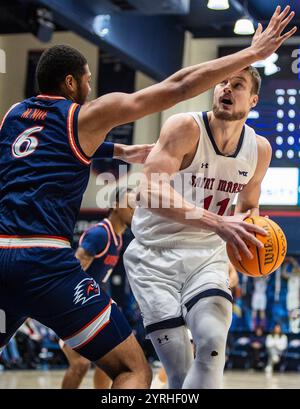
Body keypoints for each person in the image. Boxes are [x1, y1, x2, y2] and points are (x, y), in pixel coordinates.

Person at [0, 6, 295, 389]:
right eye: (89, 80)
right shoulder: (88, 115)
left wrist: (121, 152)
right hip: (53, 260)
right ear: (72, 84)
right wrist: (253, 54)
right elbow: (177, 87)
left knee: (209, 347)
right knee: (132, 370)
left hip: (3, 253)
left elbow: (51, 151)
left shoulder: (13, 116)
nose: (91, 87)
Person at [124, 7, 296, 389]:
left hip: (206, 256)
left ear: (253, 102)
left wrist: (245, 241)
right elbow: (149, 192)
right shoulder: (184, 127)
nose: (226, 89)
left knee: (214, 345)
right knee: (180, 372)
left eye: (237, 85)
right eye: (223, 82)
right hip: (155, 255)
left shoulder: (260, 149)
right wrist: (220, 223)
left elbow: (249, 207)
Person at [60, 187, 134, 389]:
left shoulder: (118, 239)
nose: (136, 209)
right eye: (131, 204)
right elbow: (71, 273)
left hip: (90, 308)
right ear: (115, 205)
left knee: (109, 362)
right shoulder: (100, 234)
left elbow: (99, 279)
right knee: (80, 364)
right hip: (70, 308)